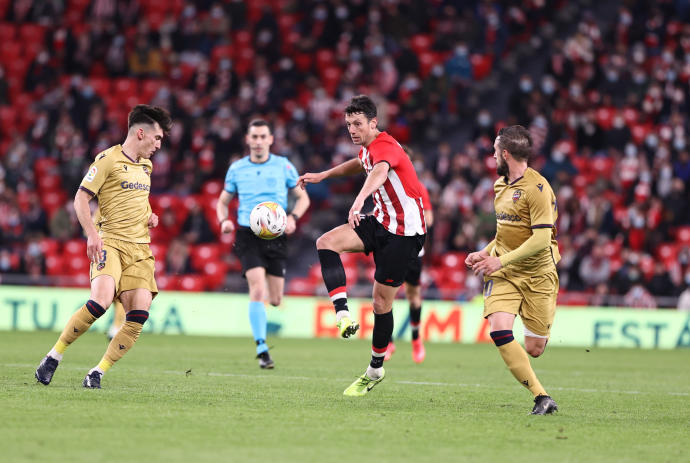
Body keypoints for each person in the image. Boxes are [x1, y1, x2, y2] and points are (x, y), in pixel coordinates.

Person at [35, 104, 172, 388]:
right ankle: (53, 357)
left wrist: (149, 215)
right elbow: (80, 199)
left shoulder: (146, 166)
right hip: (109, 242)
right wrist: (91, 234)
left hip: (140, 251)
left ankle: (97, 372)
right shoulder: (107, 160)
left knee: (138, 316)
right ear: (141, 133)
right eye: (157, 138)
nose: (159, 145)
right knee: (100, 301)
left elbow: (137, 200)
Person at [298, 95, 426, 396]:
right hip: (381, 222)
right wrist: (324, 175)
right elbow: (360, 163)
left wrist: (358, 202)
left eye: (358, 124)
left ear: (373, 123)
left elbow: (379, 171)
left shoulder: (385, 146)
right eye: (348, 124)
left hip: (405, 236)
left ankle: (375, 369)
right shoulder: (367, 149)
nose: (352, 129)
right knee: (326, 242)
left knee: (381, 303)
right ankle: (342, 314)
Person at [465, 125, 560, 415]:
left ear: (505, 154)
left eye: (495, 151)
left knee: (534, 348)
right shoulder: (499, 186)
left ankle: (538, 387)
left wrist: (499, 260)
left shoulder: (538, 189)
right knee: (499, 329)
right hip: (504, 272)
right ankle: (541, 396)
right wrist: (487, 252)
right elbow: (506, 232)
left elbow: (542, 238)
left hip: (537, 273)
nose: (492, 156)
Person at [216, 119, 310, 369]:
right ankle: (261, 347)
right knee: (257, 289)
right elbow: (222, 201)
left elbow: (303, 199)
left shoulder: (283, 166)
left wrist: (293, 217)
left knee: (276, 299)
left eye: (262, 137)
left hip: (277, 236)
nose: (258, 142)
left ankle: (263, 327)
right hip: (248, 234)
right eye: (254, 137)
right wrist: (224, 220)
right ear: (248, 140)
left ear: (270, 139)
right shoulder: (237, 169)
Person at [384, 146, 434, 363]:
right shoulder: (383, 185)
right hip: (390, 246)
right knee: (386, 294)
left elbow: (429, 218)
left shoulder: (418, 187)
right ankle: (388, 341)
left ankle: (416, 339)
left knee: (413, 294)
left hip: (413, 248)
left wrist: (412, 221)